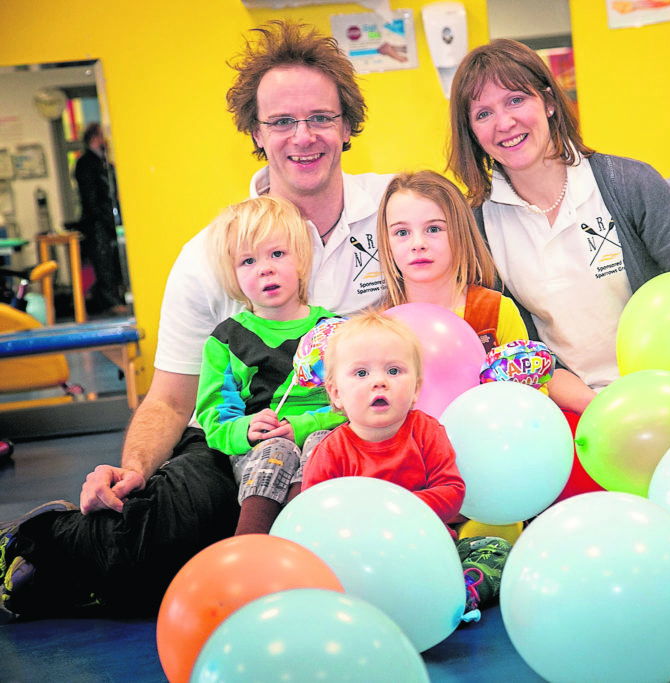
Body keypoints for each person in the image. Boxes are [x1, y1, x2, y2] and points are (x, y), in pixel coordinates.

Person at [0, 20, 391, 622]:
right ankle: (40, 541)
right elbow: (172, 396)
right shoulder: (211, 253)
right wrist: (130, 472)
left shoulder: (396, 215)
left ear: (347, 124)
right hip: (240, 437)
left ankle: (95, 575)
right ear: (256, 133)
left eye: (320, 116)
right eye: (281, 121)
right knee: (180, 530)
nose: (303, 136)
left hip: (357, 428)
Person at [447, 38, 670, 417]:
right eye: (483, 114)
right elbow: (519, 345)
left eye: (516, 100)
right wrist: (599, 408)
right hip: (577, 409)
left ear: (547, 102)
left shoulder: (628, 183)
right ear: (472, 133)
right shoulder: (477, 224)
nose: (504, 123)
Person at [302, 310, 509, 621]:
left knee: (497, 548)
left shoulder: (427, 431)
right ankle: (377, 605)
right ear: (336, 393)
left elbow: (452, 491)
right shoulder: (331, 451)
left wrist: (399, 508)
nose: (380, 382)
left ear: (415, 389)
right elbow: (315, 517)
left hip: (430, 554)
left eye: (394, 371)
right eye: (361, 374)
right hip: (364, 563)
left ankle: (459, 594)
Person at [196, 195, 344, 536]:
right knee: (276, 450)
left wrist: (304, 426)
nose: (266, 268)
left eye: (277, 254)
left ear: (302, 260)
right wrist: (245, 429)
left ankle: (308, 539)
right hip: (260, 450)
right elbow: (214, 420)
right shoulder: (226, 341)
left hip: (322, 433)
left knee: (323, 445)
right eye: (248, 261)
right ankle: (250, 546)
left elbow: (352, 403)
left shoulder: (334, 331)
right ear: (232, 275)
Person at [376, 170, 527, 352]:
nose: (418, 244)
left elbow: (524, 380)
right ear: (386, 243)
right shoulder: (379, 327)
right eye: (402, 232)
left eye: (433, 229)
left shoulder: (497, 312)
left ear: (461, 233)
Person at [74, 122, 126, 317]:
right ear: (94, 138)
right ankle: (108, 301)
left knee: (112, 262)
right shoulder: (86, 163)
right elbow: (91, 197)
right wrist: (104, 219)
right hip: (97, 222)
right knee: (102, 263)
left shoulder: (105, 162)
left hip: (108, 220)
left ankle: (113, 298)